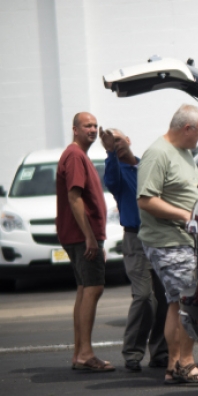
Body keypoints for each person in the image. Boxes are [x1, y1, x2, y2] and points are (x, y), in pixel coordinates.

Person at [137, 104, 198, 385]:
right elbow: (145, 200)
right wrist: (184, 214)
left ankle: (174, 365)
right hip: (169, 242)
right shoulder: (158, 154)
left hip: (184, 241)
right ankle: (186, 363)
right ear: (187, 128)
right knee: (189, 301)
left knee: (177, 303)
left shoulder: (184, 152)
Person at [101, 128, 169, 372]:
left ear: (129, 140)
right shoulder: (117, 173)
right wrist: (109, 152)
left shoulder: (148, 166)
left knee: (164, 298)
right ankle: (132, 353)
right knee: (143, 297)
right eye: (110, 142)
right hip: (135, 239)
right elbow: (109, 180)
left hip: (160, 237)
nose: (116, 144)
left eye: (118, 140)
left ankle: (160, 352)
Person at [56, 112, 114, 372]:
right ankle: (85, 354)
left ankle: (79, 352)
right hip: (82, 236)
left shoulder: (77, 155)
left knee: (84, 289)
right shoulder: (76, 156)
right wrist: (90, 237)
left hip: (81, 236)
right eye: (87, 126)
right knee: (93, 288)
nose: (92, 129)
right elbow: (74, 197)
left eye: (94, 125)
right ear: (75, 130)